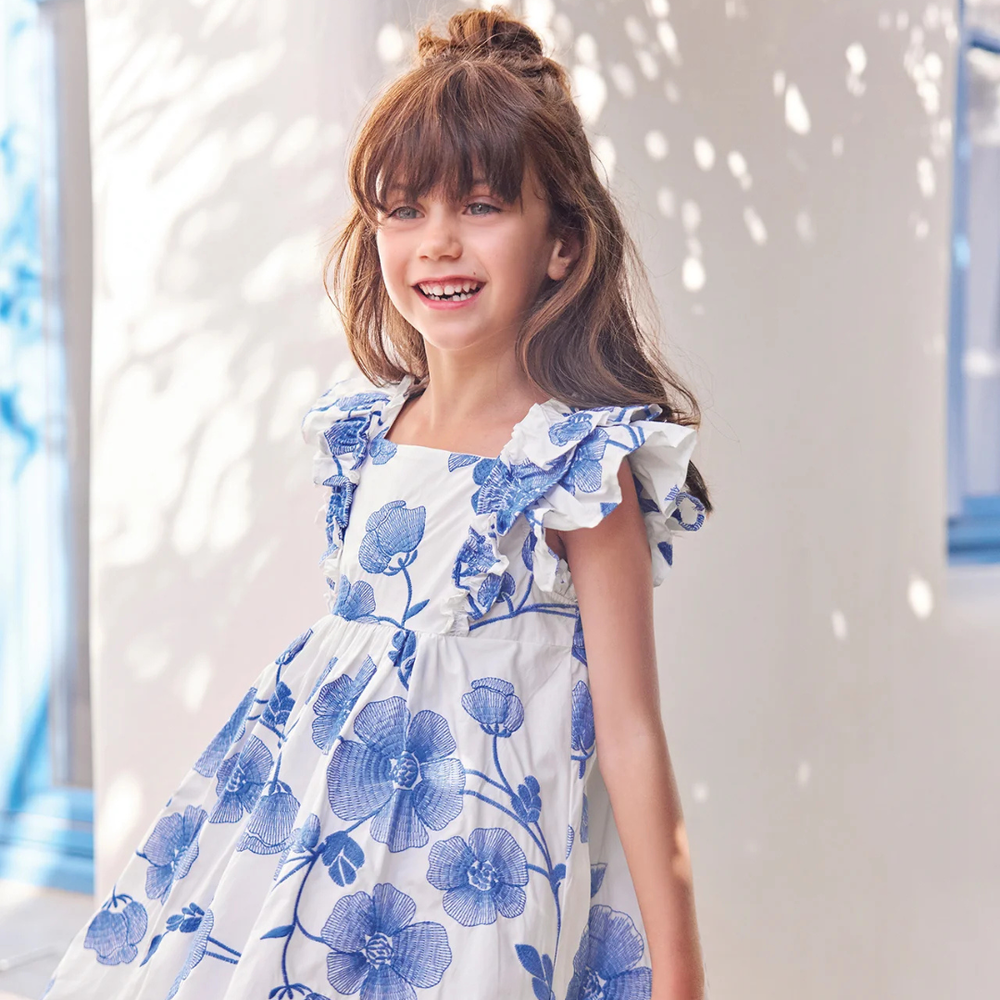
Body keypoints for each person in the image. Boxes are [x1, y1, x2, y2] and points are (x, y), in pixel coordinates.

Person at [44, 5, 714, 999]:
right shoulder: (365, 437)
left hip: (470, 888)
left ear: (563, 244)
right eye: (405, 211)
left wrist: (682, 976)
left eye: (481, 207)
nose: (438, 243)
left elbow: (629, 730)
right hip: (313, 858)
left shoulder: (575, 465)